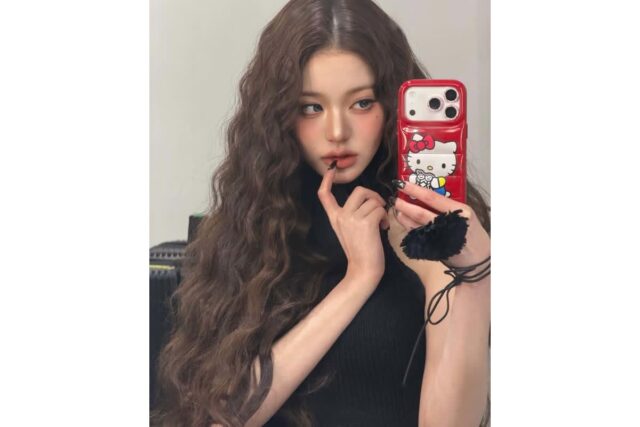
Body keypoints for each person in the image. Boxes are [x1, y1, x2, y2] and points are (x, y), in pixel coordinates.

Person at [152, 0, 491, 426]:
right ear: (279, 114)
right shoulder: (249, 229)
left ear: (392, 104)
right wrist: (358, 280)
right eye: (311, 107)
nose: (336, 132)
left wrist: (469, 276)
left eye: (361, 103)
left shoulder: (440, 233)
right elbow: (218, 417)